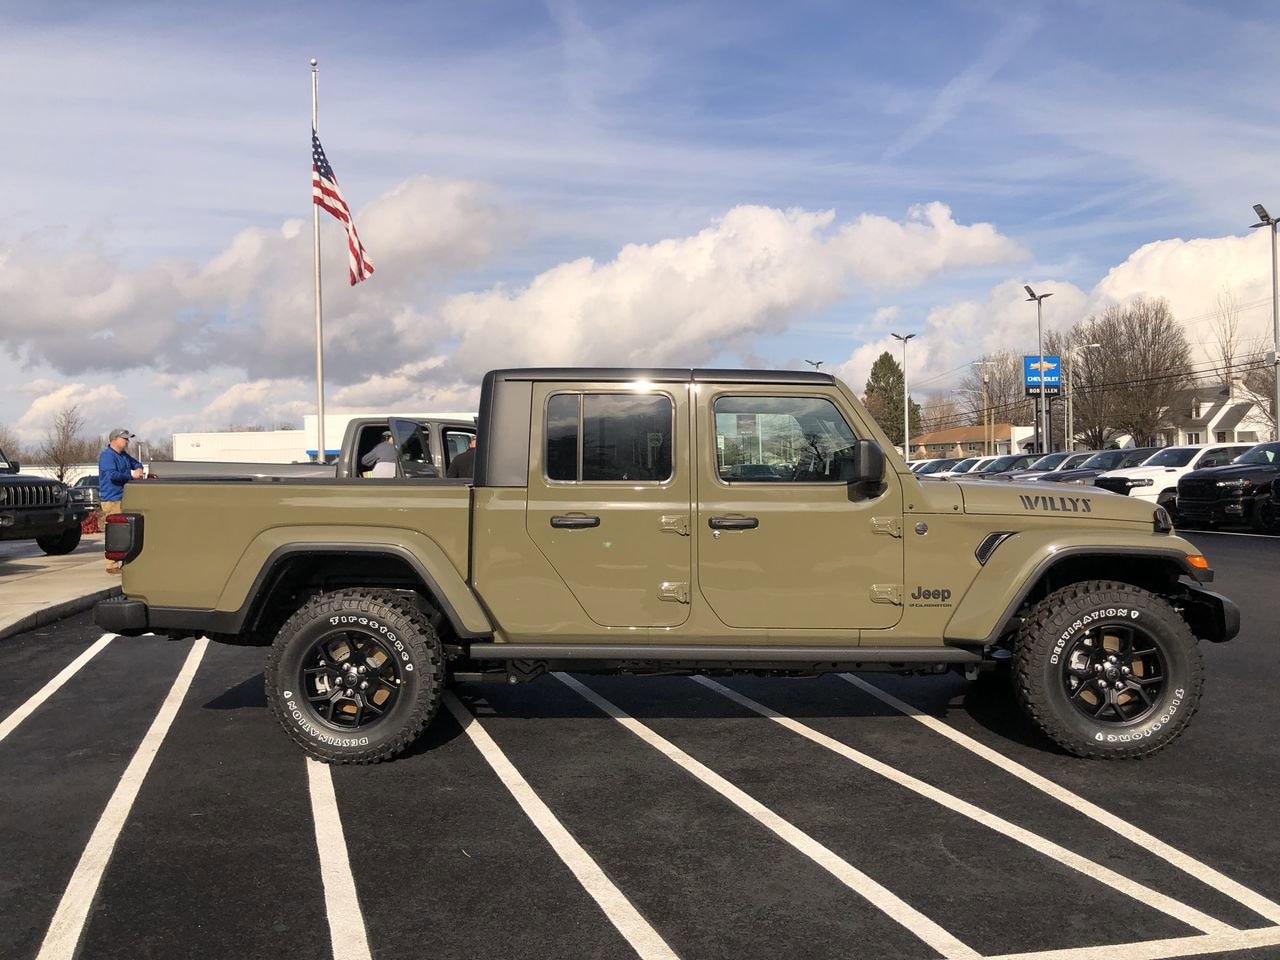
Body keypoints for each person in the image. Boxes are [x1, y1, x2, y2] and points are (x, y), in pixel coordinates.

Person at [98, 429, 145, 575]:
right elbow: (112, 475)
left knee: (127, 531)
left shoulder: (123, 456)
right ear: (115, 439)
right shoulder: (107, 456)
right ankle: (111, 565)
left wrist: (138, 468)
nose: (127, 441)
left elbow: (136, 463)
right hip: (112, 499)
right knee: (116, 532)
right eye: (124, 438)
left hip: (124, 497)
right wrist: (132, 475)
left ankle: (124, 560)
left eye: (127, 438)